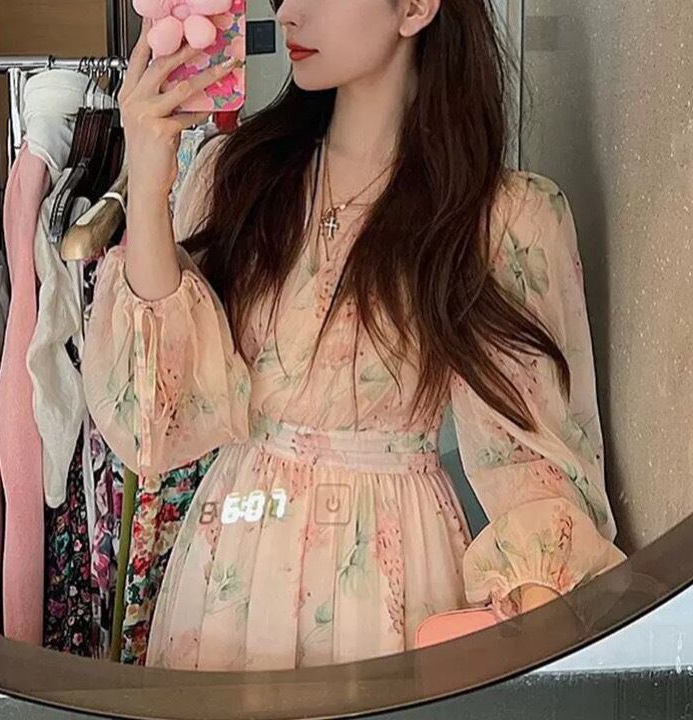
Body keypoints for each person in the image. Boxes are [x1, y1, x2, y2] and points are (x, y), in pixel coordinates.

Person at [82, 0, 626, 672]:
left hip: (388, 580)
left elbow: (536, 472)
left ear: (416, 7)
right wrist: (146, 177)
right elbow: (153, 423)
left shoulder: (502, 218)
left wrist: (536, 664)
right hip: (227, 574)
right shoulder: (237, 177)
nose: (289, 12)